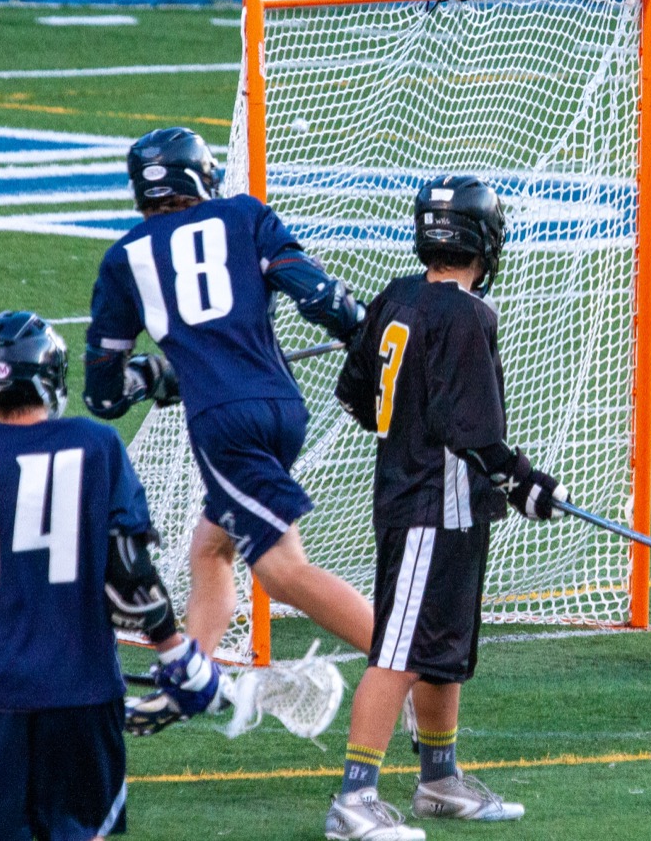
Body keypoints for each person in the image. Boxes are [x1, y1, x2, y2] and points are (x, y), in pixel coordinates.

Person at [0, 310, 221, 841]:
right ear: (50, 376)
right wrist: (179, 656)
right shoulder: (96, 445)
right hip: (85, 698)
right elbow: (130, 583)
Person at [84, 126, 374, 684]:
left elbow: (104, 395)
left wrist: (156, 374)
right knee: (211, 546)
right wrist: (360, 324)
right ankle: (191, 669)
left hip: (223, 423)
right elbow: (317, 296)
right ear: (201, 176)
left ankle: (400, 661)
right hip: (284, 407)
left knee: (283, 571)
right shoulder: (245, 215)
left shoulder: (126, 260)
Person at [325, 174, 567, 841]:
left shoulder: (397, 297)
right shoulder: (468, 316)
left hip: (429, 498)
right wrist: (527, 481)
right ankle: (355, 799)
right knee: (398, 650)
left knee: (441, 648)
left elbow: (356, 396)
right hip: (431, 504)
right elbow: (475, 433)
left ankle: (439, 779)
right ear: (485, 240)